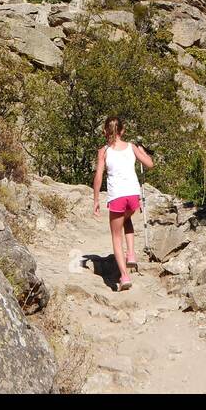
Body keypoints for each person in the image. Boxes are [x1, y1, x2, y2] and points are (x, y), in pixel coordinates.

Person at [93, 116, 154, 290]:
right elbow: (150, 164)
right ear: (123, 131)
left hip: (117, 196)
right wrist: (142, 151)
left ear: (105, 131)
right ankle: (132, 254)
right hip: (133, 195)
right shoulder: (132, 147)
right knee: (127, 220)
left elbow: (98, 176)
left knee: (116, 236)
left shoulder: (103, 151)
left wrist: (96, 199)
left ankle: (124, 276)